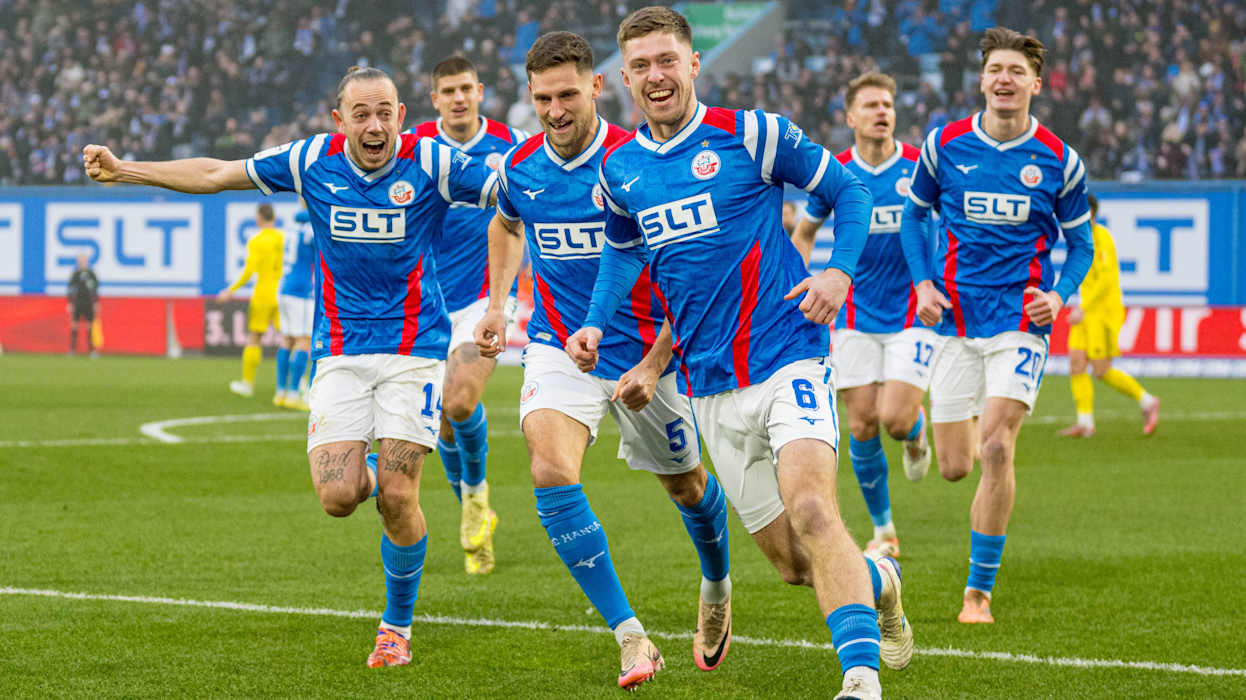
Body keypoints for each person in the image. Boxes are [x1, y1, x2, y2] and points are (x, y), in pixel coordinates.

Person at [83, 65, 499, 669]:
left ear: (403, 116)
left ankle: (396, 627)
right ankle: (382, 462)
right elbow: (216, 173)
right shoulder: (310, 160)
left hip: (414, 350)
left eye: (385, 111)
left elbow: (513, 194)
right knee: (337, 497)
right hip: (338, 353)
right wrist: (126, 169)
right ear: (340, 120)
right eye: (361, 113)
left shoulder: (432, 162)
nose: (375, 124)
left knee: (399, 498)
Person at [565, 9, 911, 700]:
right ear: (624, 78)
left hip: (788, 357)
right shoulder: (620, 170)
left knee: (815, 511)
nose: (656, 76)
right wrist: (599, 327)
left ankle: (860, 681)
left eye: (668, 61)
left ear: (694, 64)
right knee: (792, 563)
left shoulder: (752, 134)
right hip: (709, 390)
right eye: (641, 66)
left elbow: (850, 191)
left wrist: (839, 270)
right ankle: (881, 581)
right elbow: (620, 252)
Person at [474, 31, 733, 689]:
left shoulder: (639, 162)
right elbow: (505, 223)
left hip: (649, 356)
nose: (555, 111)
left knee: (687, 486)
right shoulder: (521, 168)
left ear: (597, 86)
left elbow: (699, 273)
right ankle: (632, 638)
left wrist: (653, 362)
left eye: (567, 94)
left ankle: (716, 581)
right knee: (549, 468)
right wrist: (499, 302)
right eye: (542, 99)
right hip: (562, 347)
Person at [899, 27, 1094, 625]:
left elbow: (1080, 245)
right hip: (955, 320)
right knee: (957, 465)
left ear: (1036, 83)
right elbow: (914, 217)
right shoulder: (944, 145)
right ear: (982, 80)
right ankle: (920, 437)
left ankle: (977, 593)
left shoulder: (1059, 160)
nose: (1004, 79)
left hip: (1020, 319)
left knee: (996, 446)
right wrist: (923, 283)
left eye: (1016, 71)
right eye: (995, 70)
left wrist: (1058, 297)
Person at [791, 71, 937, 561]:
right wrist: (798, 276)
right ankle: (884, 530)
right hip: (852, 314)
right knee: (861, 424)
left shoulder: (919, 168)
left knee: (894, 419)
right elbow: (806, 232)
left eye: (888, 105)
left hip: (912, 312)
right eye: (871, 105)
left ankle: (916, 434)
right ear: (850, 118)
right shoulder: (837, 174)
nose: (882, 112)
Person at [402, 55, 527, 575]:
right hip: (426, 302)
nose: (457, 98)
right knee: (446, 425)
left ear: (480, 91)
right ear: (434, 99)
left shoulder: (514, 145)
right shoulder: (411, 147)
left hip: (486, 298)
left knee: (458, 401)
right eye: (446, 90)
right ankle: (473, 509)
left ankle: (475, 499)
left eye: (465, 89)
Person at [1058, 193, 1160, 437]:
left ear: (1094, 215)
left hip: (1102, 313)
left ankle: (1147, 401)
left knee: (1101, 370)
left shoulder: (1102, 239)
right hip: (1085, 311)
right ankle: (1085, 423)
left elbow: (1105, 282)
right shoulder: (1080, 237)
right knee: (1076, 362)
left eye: (1088, 215)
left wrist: (1084, 308)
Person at [217, 203, 283, 398]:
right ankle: (297, 384)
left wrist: (231, 290)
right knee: (291, 340)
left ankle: (247, 383)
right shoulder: (283, 238)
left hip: (263, 294)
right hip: (283, 294)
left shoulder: (256, 241)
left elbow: (249, 270)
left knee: (254, 337)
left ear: (259, 218)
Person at [274, 207, 317, 410]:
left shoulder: (291, 225)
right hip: (301, 290)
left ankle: (280, 392)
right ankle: (293, 394)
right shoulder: (312, 226)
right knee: (303, 340)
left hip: (284, 287)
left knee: (287, 339)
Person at [66, 252, 100, 357]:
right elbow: (70, 289)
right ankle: (72, 350)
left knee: (89, 327)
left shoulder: (91, 274)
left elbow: (95, 290)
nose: (82, 262)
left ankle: (92, 351)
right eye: (81, 260)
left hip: (88, 302)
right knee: (74, 326)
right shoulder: (75, 274)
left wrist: (96, 303)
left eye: (84, 260)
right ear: (78, 261)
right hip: (77, 302)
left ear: (87, 261)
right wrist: (70, 303)